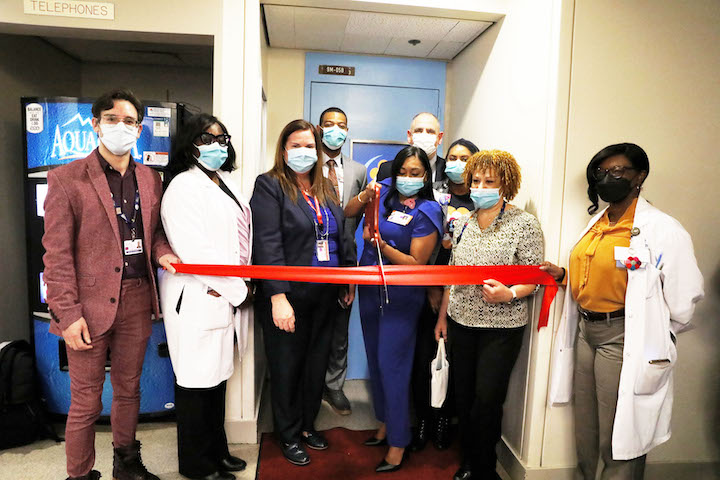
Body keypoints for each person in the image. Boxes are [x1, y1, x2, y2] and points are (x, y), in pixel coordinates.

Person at [543, 143, 704, 480]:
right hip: (586, 332)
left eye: (618, 172)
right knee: (587, 427)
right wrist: (564, 277)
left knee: (620, 432)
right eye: (602, 173)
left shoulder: (661, 228)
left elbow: (685, 298)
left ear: (640, 176)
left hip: (623, 337)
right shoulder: (599, 223)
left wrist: (655, 331)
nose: (608, 178)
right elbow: (600, 273)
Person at [42, 88, 180, 480]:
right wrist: (67, 315)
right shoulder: (66, 179)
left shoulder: (150, 179)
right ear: (96, 124)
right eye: (112, 119)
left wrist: (163, 253)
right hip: (85, 306)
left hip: (136, 298)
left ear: (139, 129)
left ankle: (127, 461)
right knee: (85, 401)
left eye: (130, 122)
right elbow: (56, 255)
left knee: (128, 388)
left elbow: (151, 234)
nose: (121, 128)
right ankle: (80, 474)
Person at [434, 149, 543, 480]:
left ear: (506, 184)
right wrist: (442, 317)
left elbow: (534, 276)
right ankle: (468, 461)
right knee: (464, 397)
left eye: (489, 181)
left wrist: (509, 293)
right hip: (460, 321)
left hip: (501, 327)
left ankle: (484, 468)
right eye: (476, 180)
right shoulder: (465, 220)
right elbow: (453, 273)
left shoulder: (523, 223)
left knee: (487, 400)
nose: (481, 186)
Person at [250, 119, 351, 466]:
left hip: (325, 296)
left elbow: (340, 234)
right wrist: (277, 296)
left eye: (310, 146)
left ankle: (307, 425)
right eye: (297, 145)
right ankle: (288, 434)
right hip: (288, 297)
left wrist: (347, 281)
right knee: (287, 367)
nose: (304, 152)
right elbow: (267, 242)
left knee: (315, 366)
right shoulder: (270, 186)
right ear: (283, 150)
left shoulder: (324, 188)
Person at [158, 113, 250, 480]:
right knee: (196, 385)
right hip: (197, 295)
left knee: (216, 381)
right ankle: (198, 467)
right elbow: (196, 252)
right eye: (206, 139)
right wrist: (239, 290)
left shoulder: (225, 181)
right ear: (189, 144)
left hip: (224, 293)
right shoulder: (182, 187)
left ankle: (217, 451)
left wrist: (236, 288)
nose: (216, 146)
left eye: (221, 139)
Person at [345, 145, 443, 473]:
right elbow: (348, 212)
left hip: (401, 295)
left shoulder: (428, 210)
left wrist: (382, 246)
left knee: (393, 365)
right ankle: (386, 422)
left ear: (426, 176)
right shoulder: (384, 192)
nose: (407, 178)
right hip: (370, 289)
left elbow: (417, 262)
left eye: (416, 174)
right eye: (403, 172)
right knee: (375, 358)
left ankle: (399, 441)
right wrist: (364, 196)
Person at [410, 138, 480, 452]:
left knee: (453, 359)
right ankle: (422, 419)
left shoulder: (482, 203)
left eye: (464, 158)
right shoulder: (435, 196)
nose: (456, 163)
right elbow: (424, 249)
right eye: (451, 157)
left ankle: (443, 419)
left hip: (465, 294)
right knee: (423, 357)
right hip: (430, 289)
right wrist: (430, 288)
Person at [316, 106, 367, 416]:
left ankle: (334, 386)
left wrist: (350, 270)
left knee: (339, 329)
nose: (336, 129)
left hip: (346, 259)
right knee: (312, 327)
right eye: (330, 124)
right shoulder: (307, 165)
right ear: (319, 128)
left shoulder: (359, 171)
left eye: (342, 125)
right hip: (311, 261)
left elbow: (356, 219)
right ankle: (310, 384)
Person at [376, 112, 445, 183]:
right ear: (409, 136)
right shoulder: (387, 170)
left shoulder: (448, 171)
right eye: (418, 131)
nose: (424, 135)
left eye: (430, 131)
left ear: (439, 138)